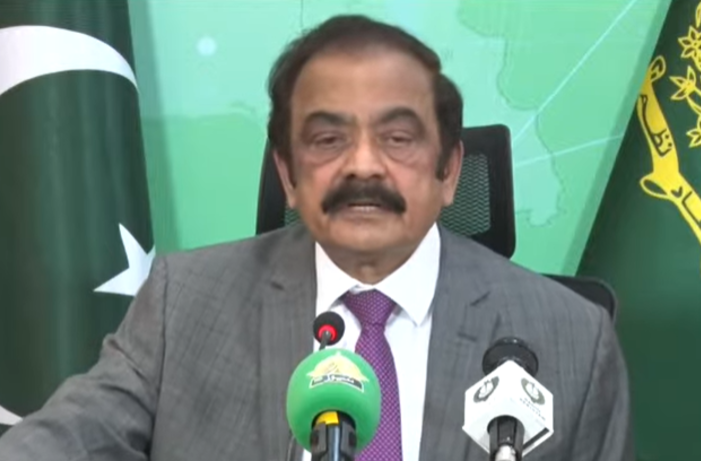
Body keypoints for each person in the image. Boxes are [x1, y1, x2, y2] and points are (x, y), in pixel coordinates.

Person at [0, 14, 633, 461]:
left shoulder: (571, 339)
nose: (363, 166)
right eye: (328, 139)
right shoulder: (183, 305)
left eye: (398, 138)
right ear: (288, 176)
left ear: (450, 173)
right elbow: (68, 438)